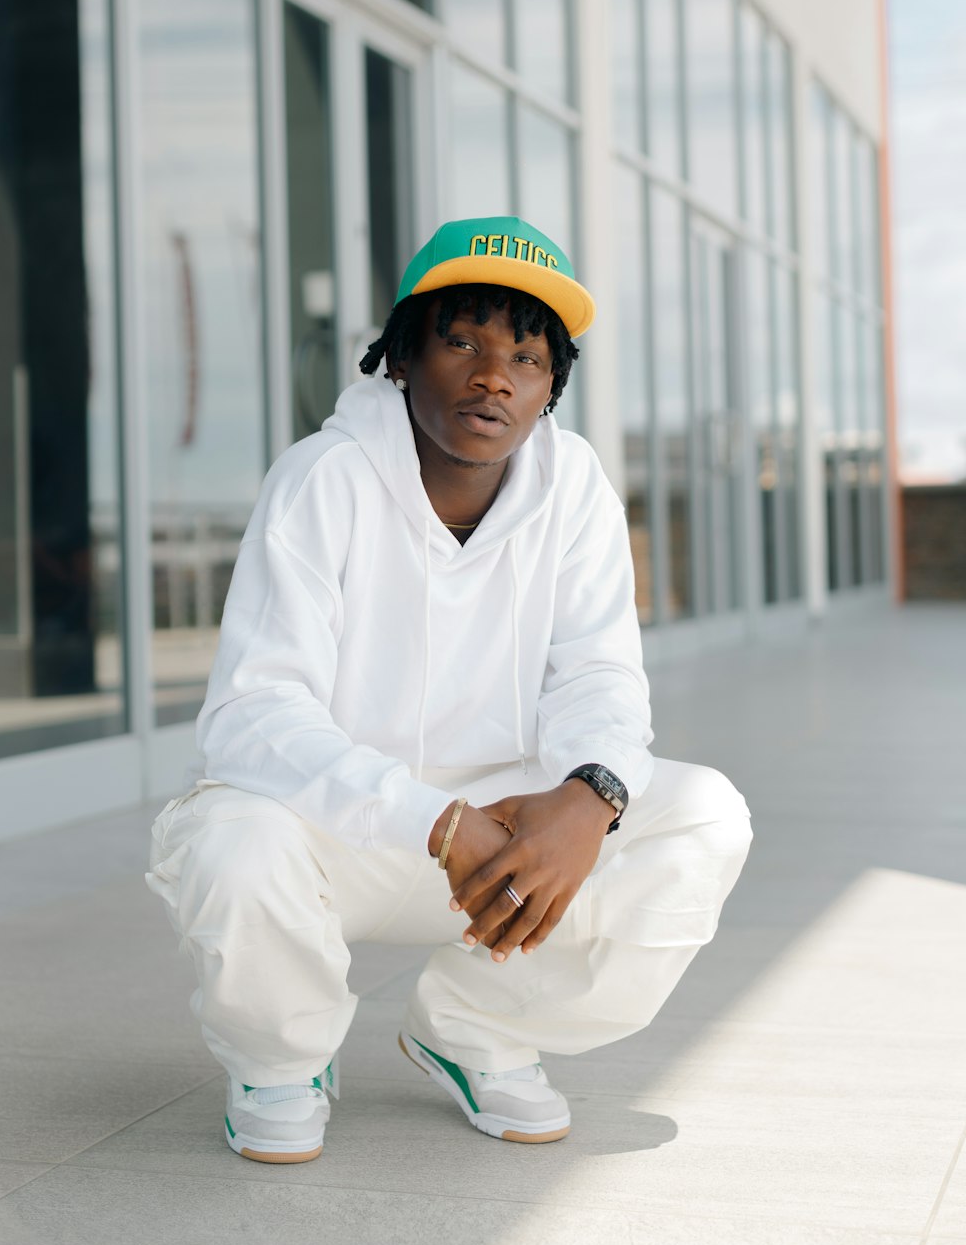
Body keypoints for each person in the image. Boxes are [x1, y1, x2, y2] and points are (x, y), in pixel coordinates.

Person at [146, 215, 752, 1163]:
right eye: (462, 339)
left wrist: (590, 795)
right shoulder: (323, 480)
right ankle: (279, 1058)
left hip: (504, 847)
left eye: (527, 354)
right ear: (399, 356)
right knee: (231, 833)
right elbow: (253, 714)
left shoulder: (577, 488)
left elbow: (599, 674)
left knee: (706, 815)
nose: (493, 373)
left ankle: (475, 1031)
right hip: (338, 837)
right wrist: (433, 819)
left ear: (552, 386)